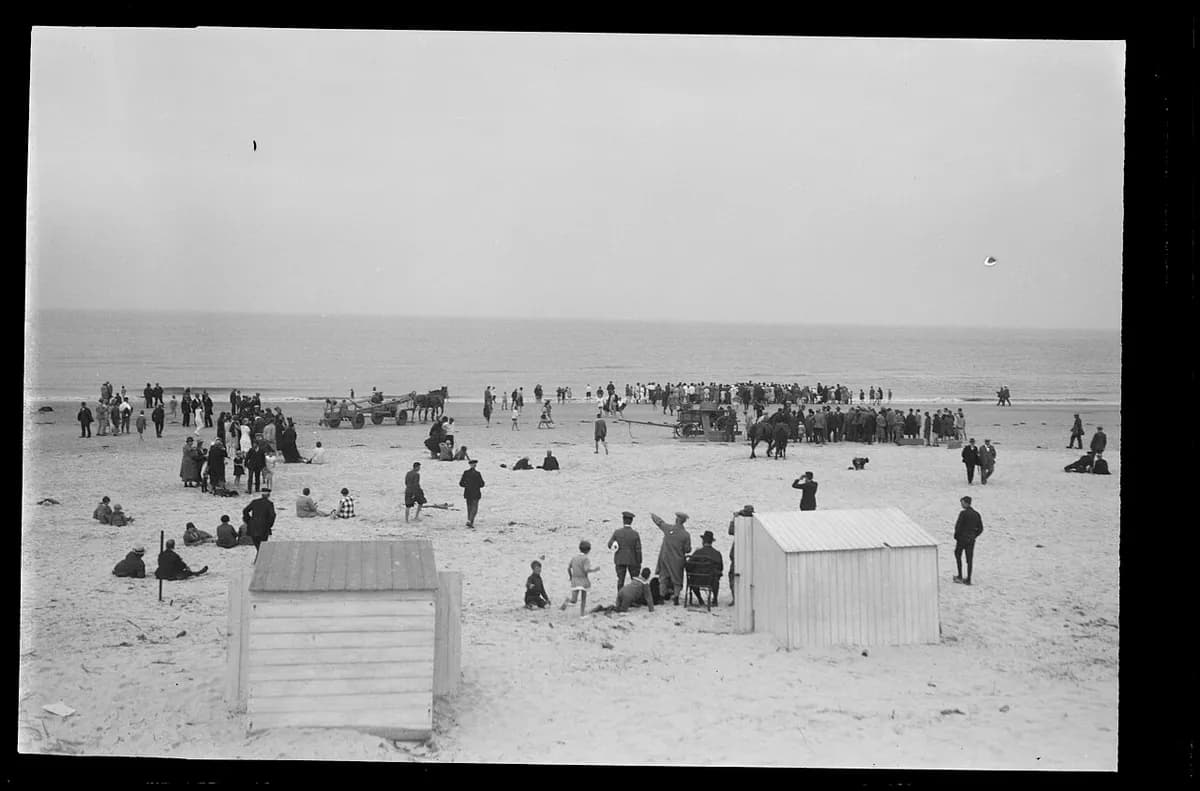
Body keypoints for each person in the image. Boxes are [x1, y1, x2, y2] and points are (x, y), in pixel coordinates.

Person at [650, 512, 692, 605]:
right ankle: (676, 597)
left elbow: (660, 523)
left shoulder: (668, 529)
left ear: (676, 519)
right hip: (677, 560)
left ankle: (661, 597)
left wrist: (653, 515)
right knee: (677, 580)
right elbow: (687, 549)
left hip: (665, 558)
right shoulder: (686, 535)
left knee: (663, 578)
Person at [560, 540, 600, 616]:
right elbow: (586, 570)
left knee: (574, 600)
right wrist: (595, 570)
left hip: (575, 580)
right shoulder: (586, 559)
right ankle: (582, 614)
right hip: (583, 580)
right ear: (588, 550)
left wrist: (570, 577)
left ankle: (567, 602)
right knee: (583, 598)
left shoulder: (574, 558)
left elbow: (568, 568)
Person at [607, 511, 643, 592]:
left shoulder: (617, 532)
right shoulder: (635, 534)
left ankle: (619, 597)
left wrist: (614, 544)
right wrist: (639, 561)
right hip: (632, 560)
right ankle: (633, 598)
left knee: (620, 580)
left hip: (620, 559)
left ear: (623, 520)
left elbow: (609, 544)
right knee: (634, 580)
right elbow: (638, 549)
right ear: (631, 521)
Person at [953, 496, 984, 585]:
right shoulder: (976, 514)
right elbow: (981, 528)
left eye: (962, 503)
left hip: (962, 539)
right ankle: (969, 579)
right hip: (971, 539)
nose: (961, 504)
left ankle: (960, 575)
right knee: (969, 559)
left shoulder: (963, 513)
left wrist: (956, 536)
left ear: (966, 503)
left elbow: (958, 526)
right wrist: (974, 535)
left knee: (958, 555)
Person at [687, 530, 724, 605]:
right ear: (712, 542)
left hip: (696, 580)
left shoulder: (697, 552)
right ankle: (715, 599)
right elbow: (720, 568)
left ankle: (700, 599)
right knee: (716, 578)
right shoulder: (717, 553)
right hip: (711, 580)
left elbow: (689, 566)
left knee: (691, 578)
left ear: (703, 541)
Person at [727, 505, 753, 606]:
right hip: (750, 554)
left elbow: (730, 531)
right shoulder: (755, 524)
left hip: (737, 554)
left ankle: (735, 598)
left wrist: (734, 518)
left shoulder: (740, 525)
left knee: (733, 576)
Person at [242, 489, 277, 560]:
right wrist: (269, 525)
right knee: (262, 545)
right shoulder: (269, 504)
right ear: (268, 495)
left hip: (253, 526)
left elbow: (245, 511)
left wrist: (248, 520)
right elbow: (272, 515)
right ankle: (260, 560)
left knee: (258, 545)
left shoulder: (255, 502)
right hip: (263, 527)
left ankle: (258, 559)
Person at [459, 459, 485, 528]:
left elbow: (461, 483)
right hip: (476, 492)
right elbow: (482, 484)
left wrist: (467, 486)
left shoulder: (466, 473)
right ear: (475, 465)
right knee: (474, 508)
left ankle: (469, 521)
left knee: (469, 507)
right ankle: (470, 521)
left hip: (468, 492)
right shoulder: (477, 473)